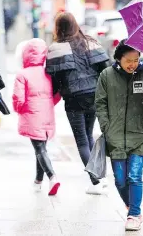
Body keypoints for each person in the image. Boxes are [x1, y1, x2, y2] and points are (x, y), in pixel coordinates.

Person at [95, 40, 143, 231]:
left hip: (138, 135)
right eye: (129, 60)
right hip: (114, 137)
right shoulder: (107, 75)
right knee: (120, 180)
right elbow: (100, 103)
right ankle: (132, 207)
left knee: (134, 176)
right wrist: (106, 127)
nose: (133, 64)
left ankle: (134, 214)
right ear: (119, 59)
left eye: (136, 60)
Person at [45, 12, 109, 195]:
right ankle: (99, 179)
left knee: (82, 140)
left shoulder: (56, 48)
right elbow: (105, 68)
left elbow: (54, 79)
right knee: (88, 136)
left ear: (58, 28)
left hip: (73, 98)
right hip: (94, 95)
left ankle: (96, 182)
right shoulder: (90, 42)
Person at [12, 38, 61, 196]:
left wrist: (19, 109)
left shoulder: (22, 74)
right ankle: (38, 181)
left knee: (39, 149)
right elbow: (57, 94)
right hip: (47, 114)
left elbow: (18, 99)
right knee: (41, 148)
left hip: (32, 115)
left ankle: (52, 177)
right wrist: (49, 104)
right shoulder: (49, 73)